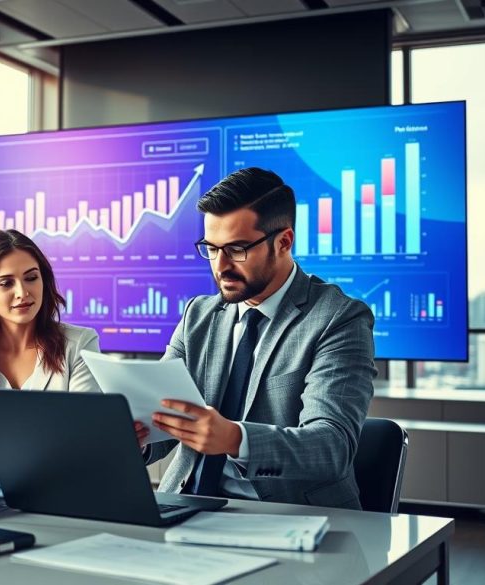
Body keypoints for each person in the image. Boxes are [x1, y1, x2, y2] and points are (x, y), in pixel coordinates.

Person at [140, 167, 376, 510]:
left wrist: (235, 439)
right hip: (186, 507)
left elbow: (331, 446)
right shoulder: (198, 314)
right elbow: (166, 415)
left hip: (293, 518)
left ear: (283, 242)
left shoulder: (339, 319)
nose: (220, 266)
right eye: (211, 248)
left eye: (236, 249)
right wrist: (141, 437)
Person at [0, 229, 100, 391]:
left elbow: (82, 416)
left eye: (31, 278)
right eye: (6, 283)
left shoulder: (80, 343)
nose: (23, 293)